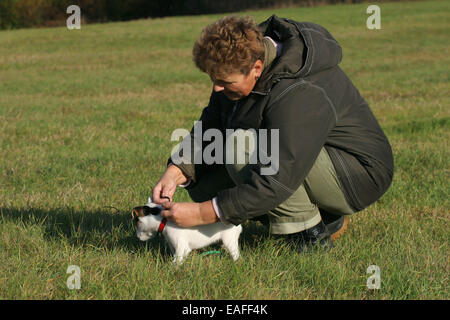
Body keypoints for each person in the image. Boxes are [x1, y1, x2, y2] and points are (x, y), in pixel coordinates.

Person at [151, 15, 394, 251]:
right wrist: (176, 171)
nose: (217, 87)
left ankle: (311, 235)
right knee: (204, 178)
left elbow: (278, 175)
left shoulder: (299, 90)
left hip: (358, 173)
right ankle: (325, 215)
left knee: (240, 148)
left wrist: (204, 213)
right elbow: (213, 124)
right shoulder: (239, 67)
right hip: (304, 157)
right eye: (213, 80)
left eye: (225, 82)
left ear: (257, 68)